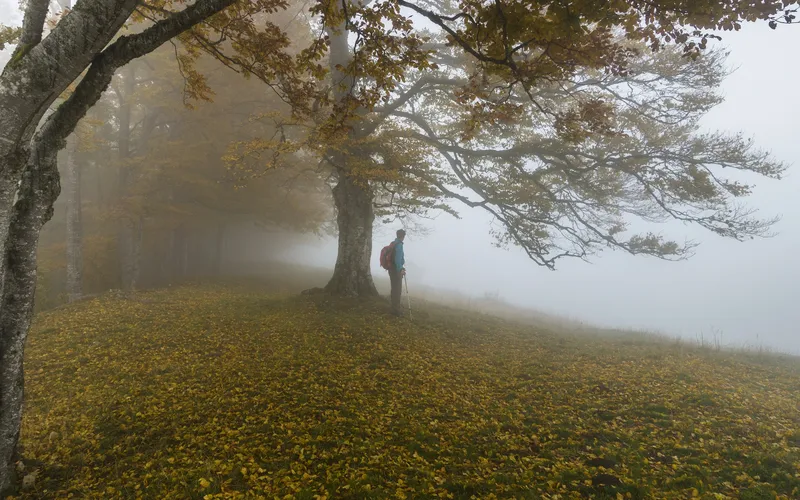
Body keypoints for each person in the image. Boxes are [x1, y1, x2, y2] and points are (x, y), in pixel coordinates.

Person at [389, 229, 406, 316]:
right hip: (396, 270)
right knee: (397, 290)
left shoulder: (393, 243)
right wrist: (401, 269)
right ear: (403, 236)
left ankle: (393, 307)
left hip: (391, 269)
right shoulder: (399, 245)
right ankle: (396, 310)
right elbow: (397, 260)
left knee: (394, 288)